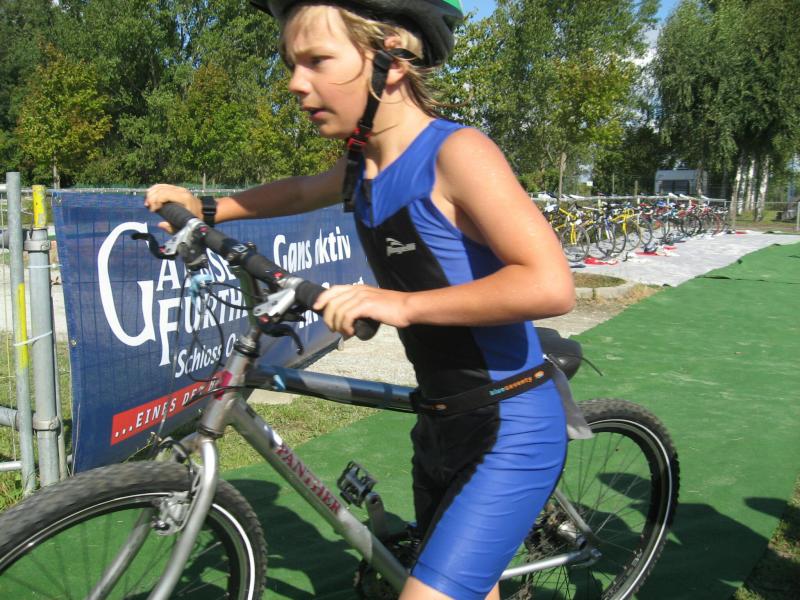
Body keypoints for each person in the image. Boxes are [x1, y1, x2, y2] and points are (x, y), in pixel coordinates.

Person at [145, 1, 575, 598]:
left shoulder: (456, 152)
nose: (296, 83)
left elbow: (550, 284)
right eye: (291, 64)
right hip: (439, 419)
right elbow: (301, 191)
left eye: (317, 60)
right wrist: (212, 208)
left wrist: (400, 304)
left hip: (510, 423)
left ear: (390, 60)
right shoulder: (362, 163)